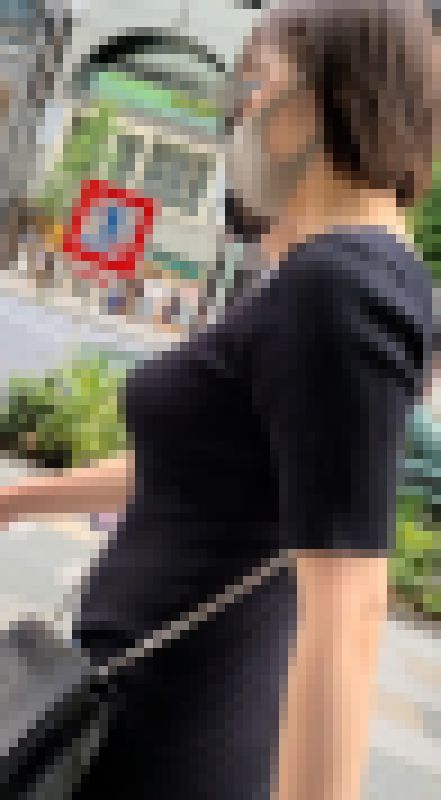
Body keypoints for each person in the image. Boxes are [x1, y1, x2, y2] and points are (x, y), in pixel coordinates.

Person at [0, 2, 435, 797]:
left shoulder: (342, 287)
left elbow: (348, 613)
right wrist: (19, 499)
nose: (238, 113)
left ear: (330, 95)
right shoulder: (324, 277)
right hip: (129, 710)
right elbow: (210, 468)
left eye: (254, 84)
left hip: (166, 736)